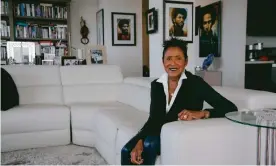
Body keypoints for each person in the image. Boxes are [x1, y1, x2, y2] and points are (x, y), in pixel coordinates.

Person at [121, 38, 238, 165]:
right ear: (163, 62)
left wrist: (202, 113)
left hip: (179, 135)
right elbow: (154, 119)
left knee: (150, 143)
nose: (173, 63)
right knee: (126, 150)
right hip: (157, 132)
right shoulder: (157, 85)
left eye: (178, 58)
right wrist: (140, 140)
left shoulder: (196, 83)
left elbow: (230, 108)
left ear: (185, 61)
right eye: (169, 58)